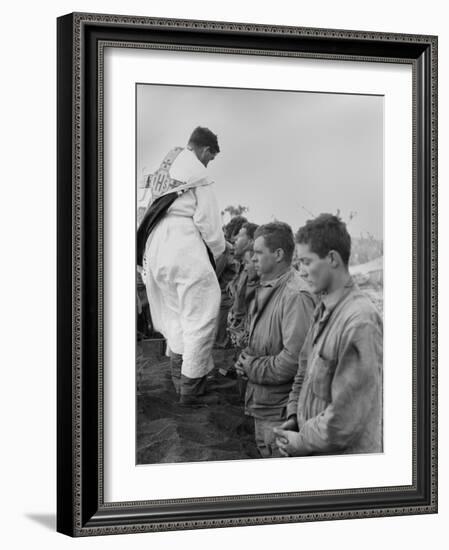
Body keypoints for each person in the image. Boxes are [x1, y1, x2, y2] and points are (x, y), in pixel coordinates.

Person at [274, 214, 383, 456]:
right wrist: (295, 415)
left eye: (306, 261)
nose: (300, 271)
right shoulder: (322, 310)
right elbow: (304, 372)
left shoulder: (360, 321)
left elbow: (345, 420)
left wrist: (301, 440)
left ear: (332, 258)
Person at [140, 127, 226, 406]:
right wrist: (218, 257)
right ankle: (190, 390)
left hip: (153, 250)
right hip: (183, 247)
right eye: (210, 157)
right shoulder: (199, 175)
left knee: (175, 317)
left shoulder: (158, 172)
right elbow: (209, 225)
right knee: (200, 317)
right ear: (204, 150)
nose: (208, 163)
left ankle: (178, 380)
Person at [234, 222, 315, 458]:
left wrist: (251, 367)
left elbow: (294, 361)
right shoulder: (268, 288)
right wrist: (245, 361)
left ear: (278, 254)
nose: (253, 258)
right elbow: (264, 341)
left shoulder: (296, 296)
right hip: (265, 405)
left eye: (259, 252)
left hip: (281, 413)